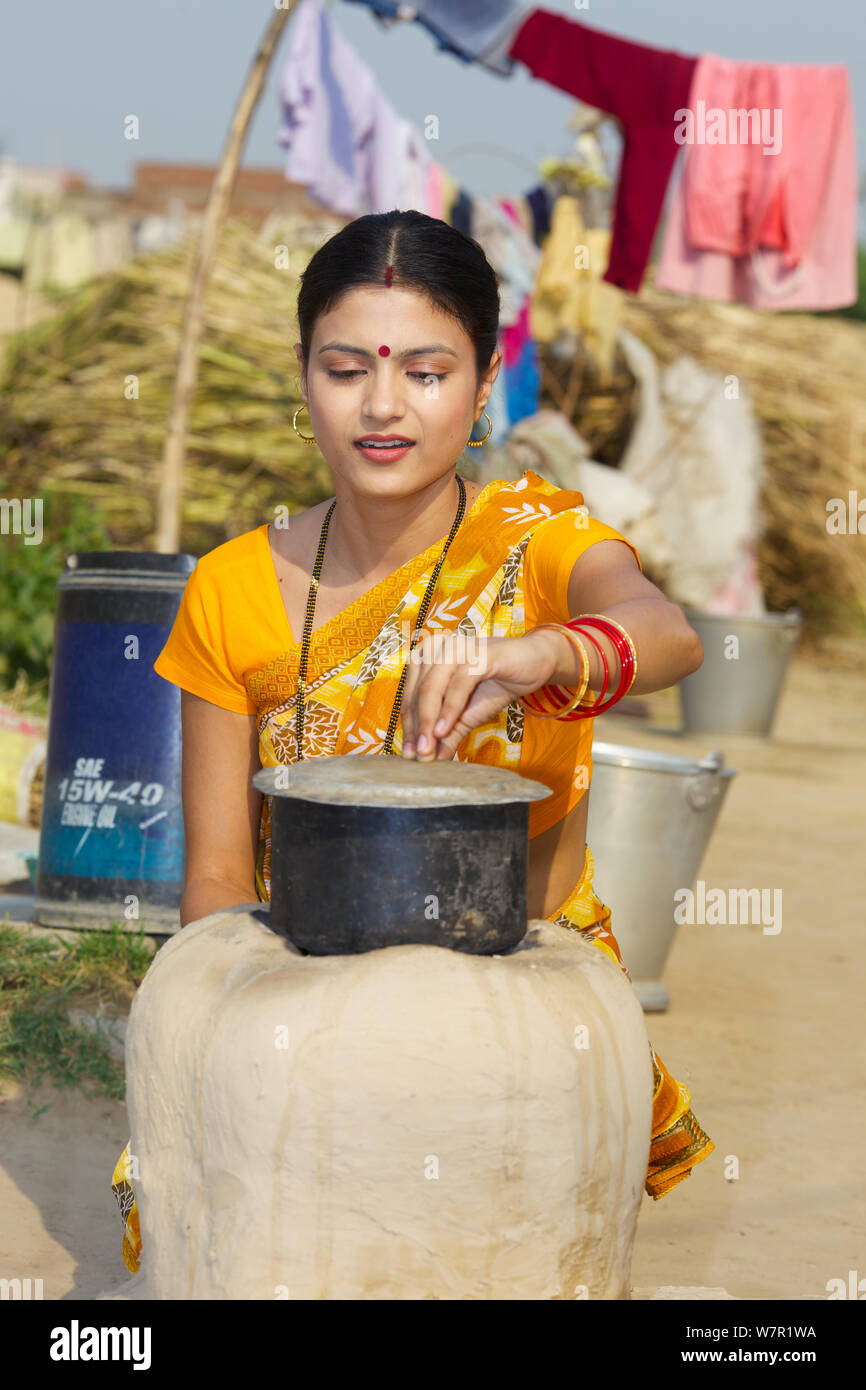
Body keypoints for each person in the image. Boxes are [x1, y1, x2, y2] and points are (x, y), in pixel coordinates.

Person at [111, 209, 713, 1276]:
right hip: (304, 1028)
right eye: (347, 368)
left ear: (483, 387)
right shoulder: (230, 590)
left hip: (521, 1026)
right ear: (304, 380)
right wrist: (222, 1052)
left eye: (427, 371)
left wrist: (542, 653)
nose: (383, 404)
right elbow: (212, 876)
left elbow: (665, 635)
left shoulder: (540, 543)